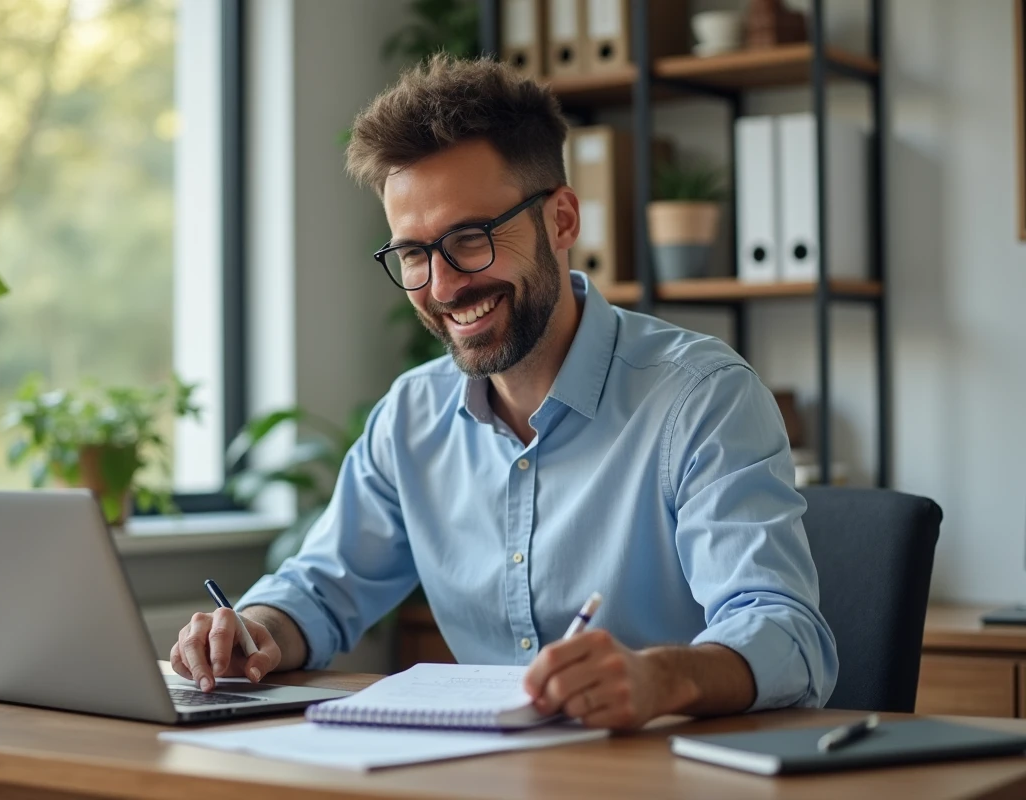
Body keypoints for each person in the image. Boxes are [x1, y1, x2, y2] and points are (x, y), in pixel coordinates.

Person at [172, 54, 837, 730]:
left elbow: (787, 634)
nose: (442, 285)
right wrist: (249, 632)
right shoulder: (411, 416)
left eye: (471, 237)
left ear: (563, 221)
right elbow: (320, 586)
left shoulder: (701, 398)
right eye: (413, 254)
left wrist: (658, 677)